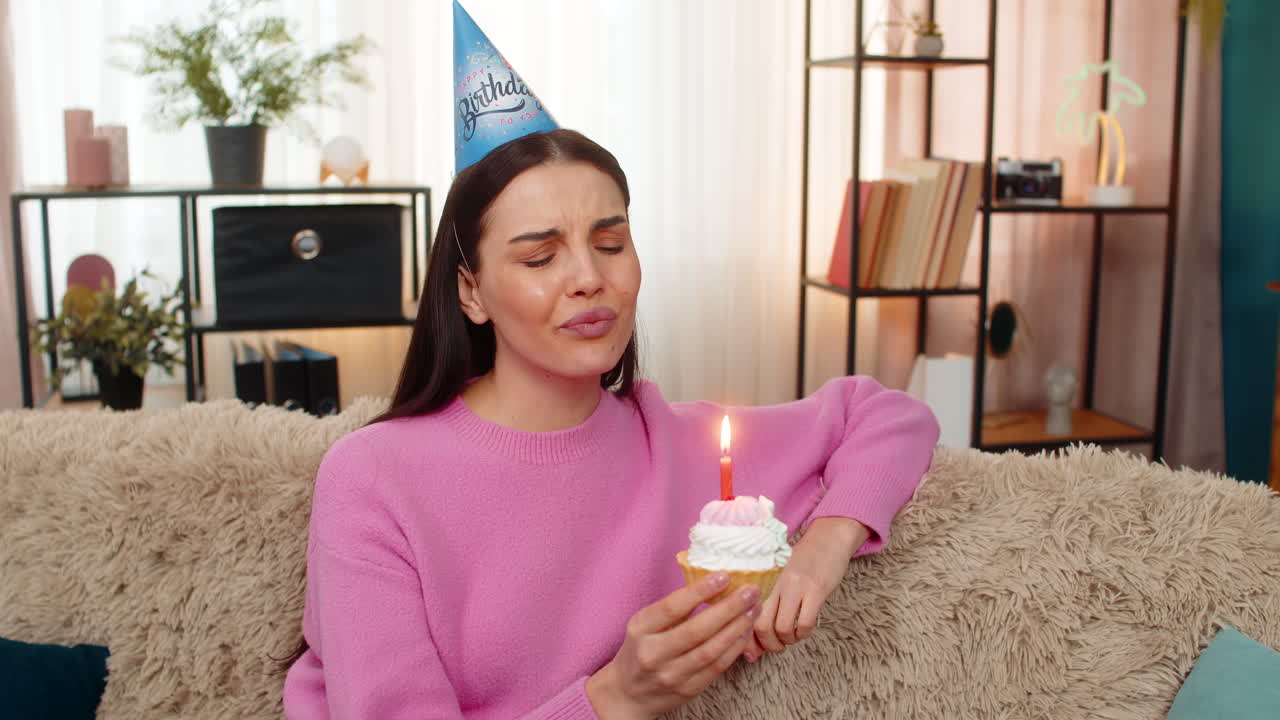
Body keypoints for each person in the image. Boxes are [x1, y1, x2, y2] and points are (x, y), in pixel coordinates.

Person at [283, 6, 938, 719]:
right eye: (540, 256)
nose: (588, 277)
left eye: (611, 242)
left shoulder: (680, 445)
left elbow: (887, 415)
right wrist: (614, 698)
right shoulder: (373, 480)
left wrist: (824, 545)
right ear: (471, 292)